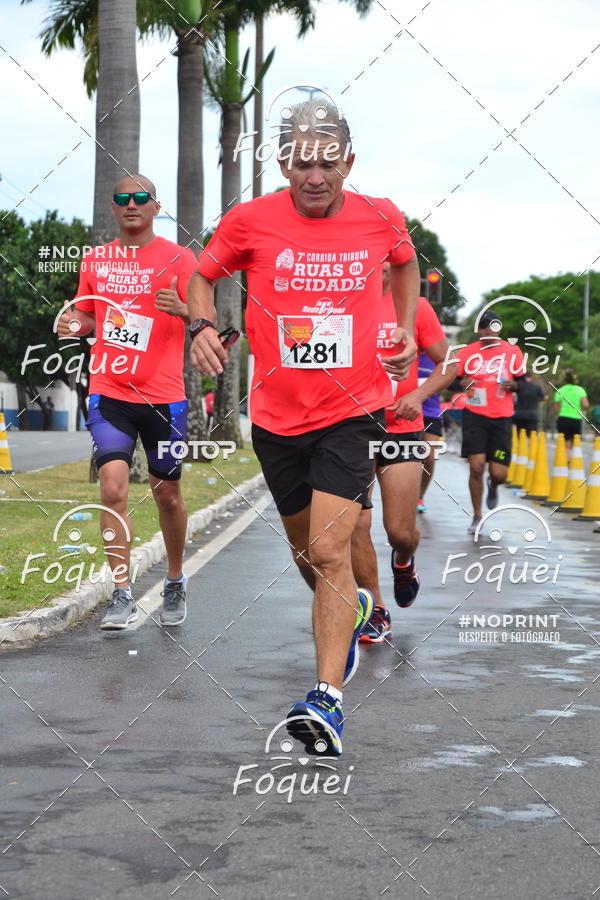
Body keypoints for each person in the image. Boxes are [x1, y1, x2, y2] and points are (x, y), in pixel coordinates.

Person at [188, 99, 420, 755]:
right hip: (275, 418)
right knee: (309, 558)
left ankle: (327, 700)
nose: (313, 176)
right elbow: (201, 276)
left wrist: (401, 327)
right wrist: (201, 326)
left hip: (355, 409)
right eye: (300, 162)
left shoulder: (380, 216)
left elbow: (404, 264)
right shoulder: (251, 222)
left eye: (326, 162)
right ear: (283, 161)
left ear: (348, 161)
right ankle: (342, 618)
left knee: (327, 549)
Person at [57, 175, 197, 630]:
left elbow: (205, 315)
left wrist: (184, 309)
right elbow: (84, 316)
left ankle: (175, 579)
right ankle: (122, 592)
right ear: (114, 209)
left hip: (166, 398)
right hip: (109, 392)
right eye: (122, 199)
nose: (131, 204)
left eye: (140, 198)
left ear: (156, 207)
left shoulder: (179, 258)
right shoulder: (96, 259)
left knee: (168, 494)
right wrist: (68, 321)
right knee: (112, 489)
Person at [351, 269, 457, 643]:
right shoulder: (338, 301)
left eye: (387, 260)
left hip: (401, 430)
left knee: (399, 531)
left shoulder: (415, 307)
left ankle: (403, 560)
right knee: (356, 525)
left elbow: (450, 363)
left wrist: (417, 396)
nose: (378, 267)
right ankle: (375, 610)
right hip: (350, 429)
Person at [453, 310, 525, 534]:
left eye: (493, 326)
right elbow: (454, 383)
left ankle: (493, 485)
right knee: (476, 465)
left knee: (499, 473)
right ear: (479, 330)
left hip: (502, 418)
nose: (488, 331)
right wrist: (464, 382)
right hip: (474, 415)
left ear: (499, 329)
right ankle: (476, 516)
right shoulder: (467, 353)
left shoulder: (512, 351)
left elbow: (522, 383)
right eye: (484, 327)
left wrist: (512, 386)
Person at [417, 352, 444, 512]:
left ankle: (420, 496)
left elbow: (453, 376)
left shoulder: (436, 355)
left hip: (431, 413)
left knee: (429, 458)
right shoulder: (406, 352)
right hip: (405, 412)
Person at [553, 369, 589, 450]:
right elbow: (586, 405)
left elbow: (555, 409)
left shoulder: (560, 390)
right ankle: (574, 459)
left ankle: (567, 460)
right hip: (576, 419)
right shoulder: (580, 390)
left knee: (565, 443)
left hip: (563, 418)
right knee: (575, 443)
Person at [513, 371, 545, 436]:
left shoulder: (518, 385)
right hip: (532, 414)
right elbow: (543, 397)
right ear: (531, 378)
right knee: (532, 435)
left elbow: (513, 395)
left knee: (520, 435)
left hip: (519, 414)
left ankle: (520, 446)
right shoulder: (536, 387)